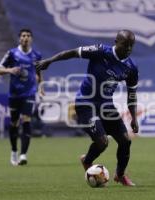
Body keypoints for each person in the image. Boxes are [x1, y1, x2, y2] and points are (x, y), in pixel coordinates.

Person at [35, 30, 139, 186]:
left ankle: (120, 175)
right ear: (116, 41)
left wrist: (134, 118)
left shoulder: (131, 67)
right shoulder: (100, 51)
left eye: (132, 46)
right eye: (125, 45)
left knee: (125, 141)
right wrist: (49, 61)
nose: (129, 49)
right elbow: (71, 53)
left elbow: (132, 94)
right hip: (85, 102)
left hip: (106, 105)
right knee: (102, 142)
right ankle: (87, 160)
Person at [0, 28, 42, 166]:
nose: (26, 38)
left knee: (26, 120)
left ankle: (23, 155)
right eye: (23, 35)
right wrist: (10, 70)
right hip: (14, 94)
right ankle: (14, 150)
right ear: (19, 38)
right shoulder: (12, 53)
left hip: (29, 93)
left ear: (31, 39)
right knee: (14, 123)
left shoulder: (36, 55)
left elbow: (39, 73)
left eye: (28, 35)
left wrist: (41, 86)